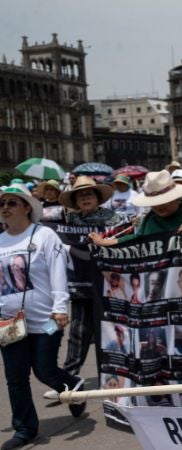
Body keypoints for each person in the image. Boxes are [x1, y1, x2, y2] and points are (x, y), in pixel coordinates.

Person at [0, 184, 86, 450]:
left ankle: (74, 386)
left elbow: (58, 271)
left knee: (44, 368)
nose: (5, 208)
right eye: (2, 204)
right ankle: (25, 429)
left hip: (47, 319)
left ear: (27, 207)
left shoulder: (45, 235)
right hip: (10, 322)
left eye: (12, 203)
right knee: (15, 377)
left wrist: (60, 308)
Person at [58, 176, 123, 382]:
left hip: (107, 284)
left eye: (89, 194)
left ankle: (113, 379)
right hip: (80, 285)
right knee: (77, 333)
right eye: (80, 195)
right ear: (75, 201)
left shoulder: (114, 218)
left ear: (97, 197)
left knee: (110, 332)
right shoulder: (68, 222)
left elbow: (123, 242)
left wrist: (104, 242)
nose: (85, 198)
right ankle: (70, 382)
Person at [88, 170, 182, 247]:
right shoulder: (150, 219)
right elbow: (136, 240)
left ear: (176, 197)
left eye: (164, 201)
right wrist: (103, 242)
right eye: (154, 202)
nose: (159, 206)